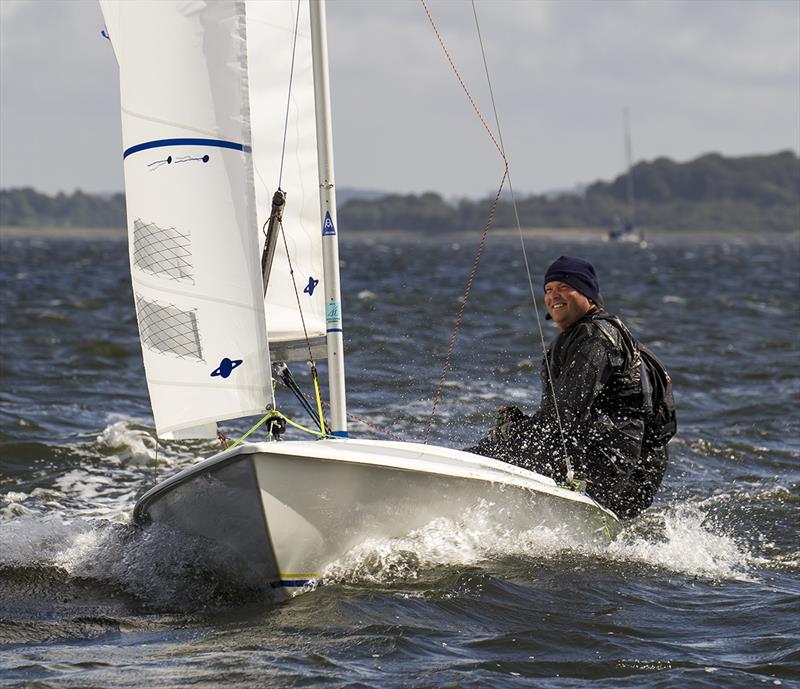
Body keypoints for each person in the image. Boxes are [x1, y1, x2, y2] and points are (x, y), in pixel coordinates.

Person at [465, 255, 669, 519]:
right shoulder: (579, 337)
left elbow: (565, 416)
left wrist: (515, 435)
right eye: (549, 290)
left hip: (611, 475)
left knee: (496, 449)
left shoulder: (596, 339)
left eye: (564, 287)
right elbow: (565, 421)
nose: (554, 296)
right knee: (504, 442)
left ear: (588, 296)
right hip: (617, 468)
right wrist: (522, 426)